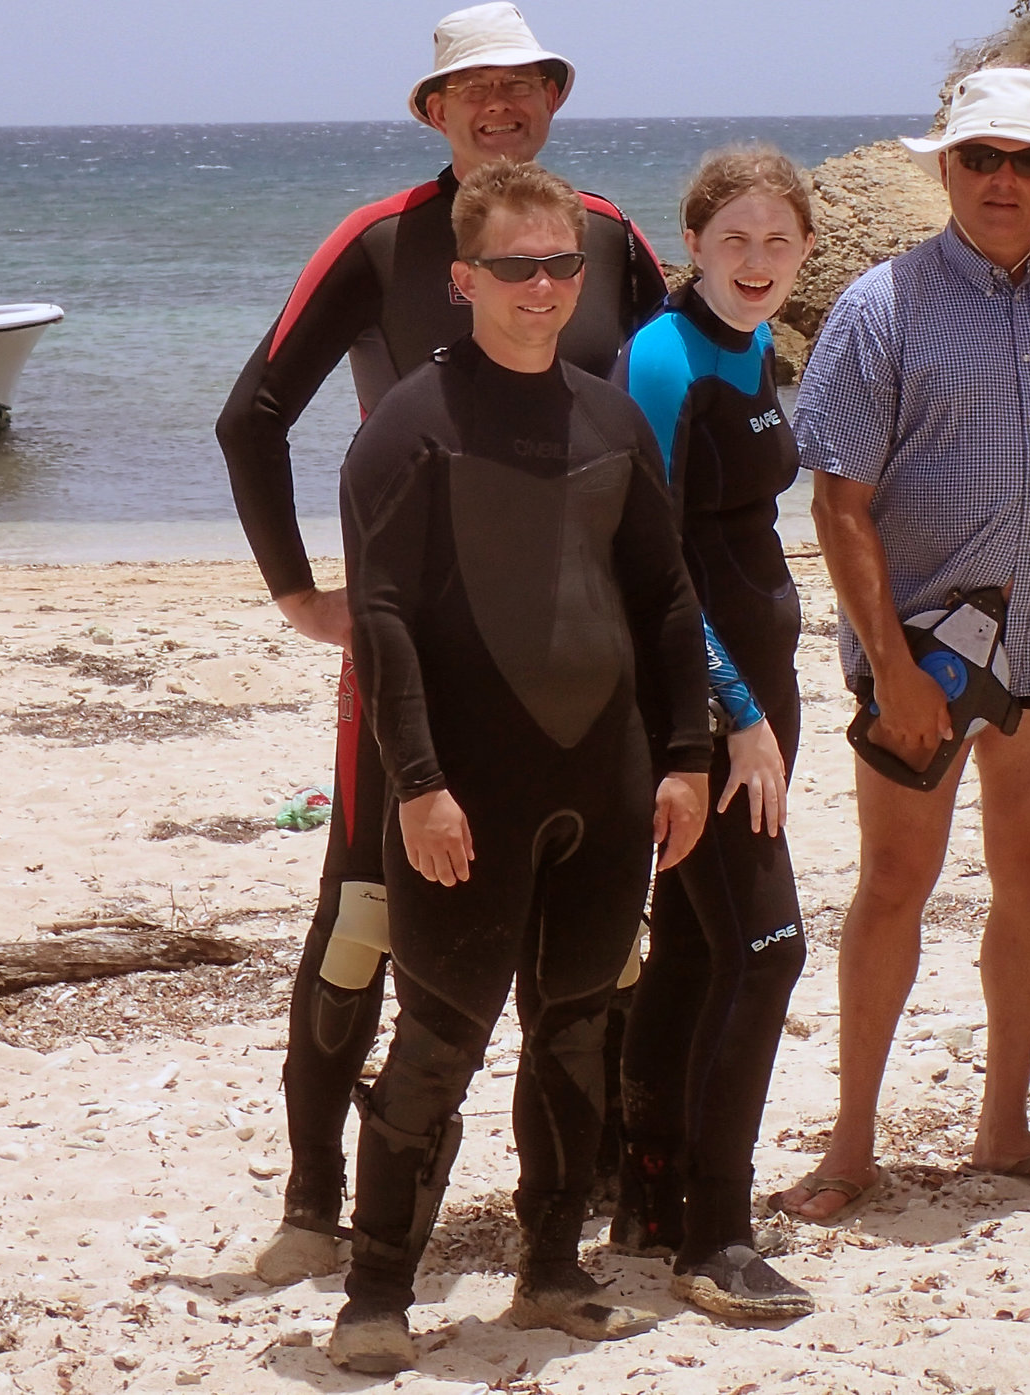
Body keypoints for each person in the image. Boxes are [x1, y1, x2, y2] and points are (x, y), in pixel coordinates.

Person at [214, 3, 670, 1284]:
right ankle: (314, 1203)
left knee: (596, 942)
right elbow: (251, 418)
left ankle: (603, 1199)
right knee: (361, 915)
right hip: (415, 664)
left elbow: (667, 404)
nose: (499, 105)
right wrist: (304, 594)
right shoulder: (380, 243)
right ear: (433, 111)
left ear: (552, 101)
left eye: (522, 86)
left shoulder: (605, 241)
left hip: (580, 663)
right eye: (473, 89)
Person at [325, 161, 712, 1373]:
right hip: (464, 796)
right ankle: (377, 1291)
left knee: (575, 1034)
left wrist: (688, 758)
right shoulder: (408, 431)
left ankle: (550, 1273)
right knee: (438, 1044)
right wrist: (420, 783)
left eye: (560, 265)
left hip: (603, 786)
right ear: (461, 279)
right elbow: (380, 624)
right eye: (513, 266)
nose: (541, 287)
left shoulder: (608, 417)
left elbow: (662, 597)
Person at [774, 65, 1030, 1221]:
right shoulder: (879, 305)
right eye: (979, 158)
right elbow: (836, 503)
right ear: (944, 169)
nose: (1002, 180)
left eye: (1026, 159)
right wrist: (887, 665)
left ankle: (1004, 1124)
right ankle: (850, 1144)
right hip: (923, 654)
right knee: (895, 881)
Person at [612, 147, 819, 1321]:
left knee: (696, 952)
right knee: (766, 947)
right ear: (690, 242)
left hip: (756, 699)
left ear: (801, 252)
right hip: (698, 711)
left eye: (776, 242)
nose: (755, 261)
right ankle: (716, 1236)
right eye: (733, 239)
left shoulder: (754, 349)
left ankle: (655, 1200)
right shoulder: (661, 359)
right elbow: (651, 561)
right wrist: (732, 718)